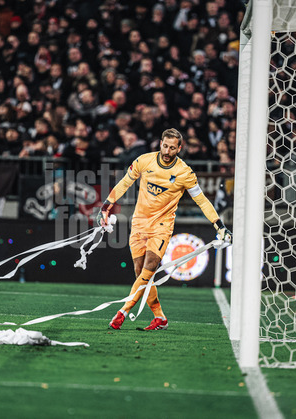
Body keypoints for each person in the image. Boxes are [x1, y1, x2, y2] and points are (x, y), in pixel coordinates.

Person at [98, 128, 232, 331]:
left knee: (150, 267)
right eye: (165, 146)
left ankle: (122, 312)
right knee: (140, 273)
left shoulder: (184, 172)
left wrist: (219, 225)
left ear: (179, 148)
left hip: (162, 226)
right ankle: (160, 317)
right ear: (160, 144)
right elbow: (125, 182)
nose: (167, 151)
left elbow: (202, 200)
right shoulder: (144, 161)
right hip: (139, 223)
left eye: (172, 148)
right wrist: (106, 205)